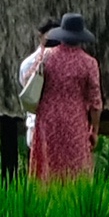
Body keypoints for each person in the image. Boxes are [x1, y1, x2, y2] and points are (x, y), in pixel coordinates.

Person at [15, 14, 102, 185]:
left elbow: (27, 79)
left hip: (48, 124)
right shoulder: (89, 63)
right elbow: (95, 103)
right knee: (76, 174)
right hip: (75, 125)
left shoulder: (46, 58)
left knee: (48, 173)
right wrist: (94, 130)